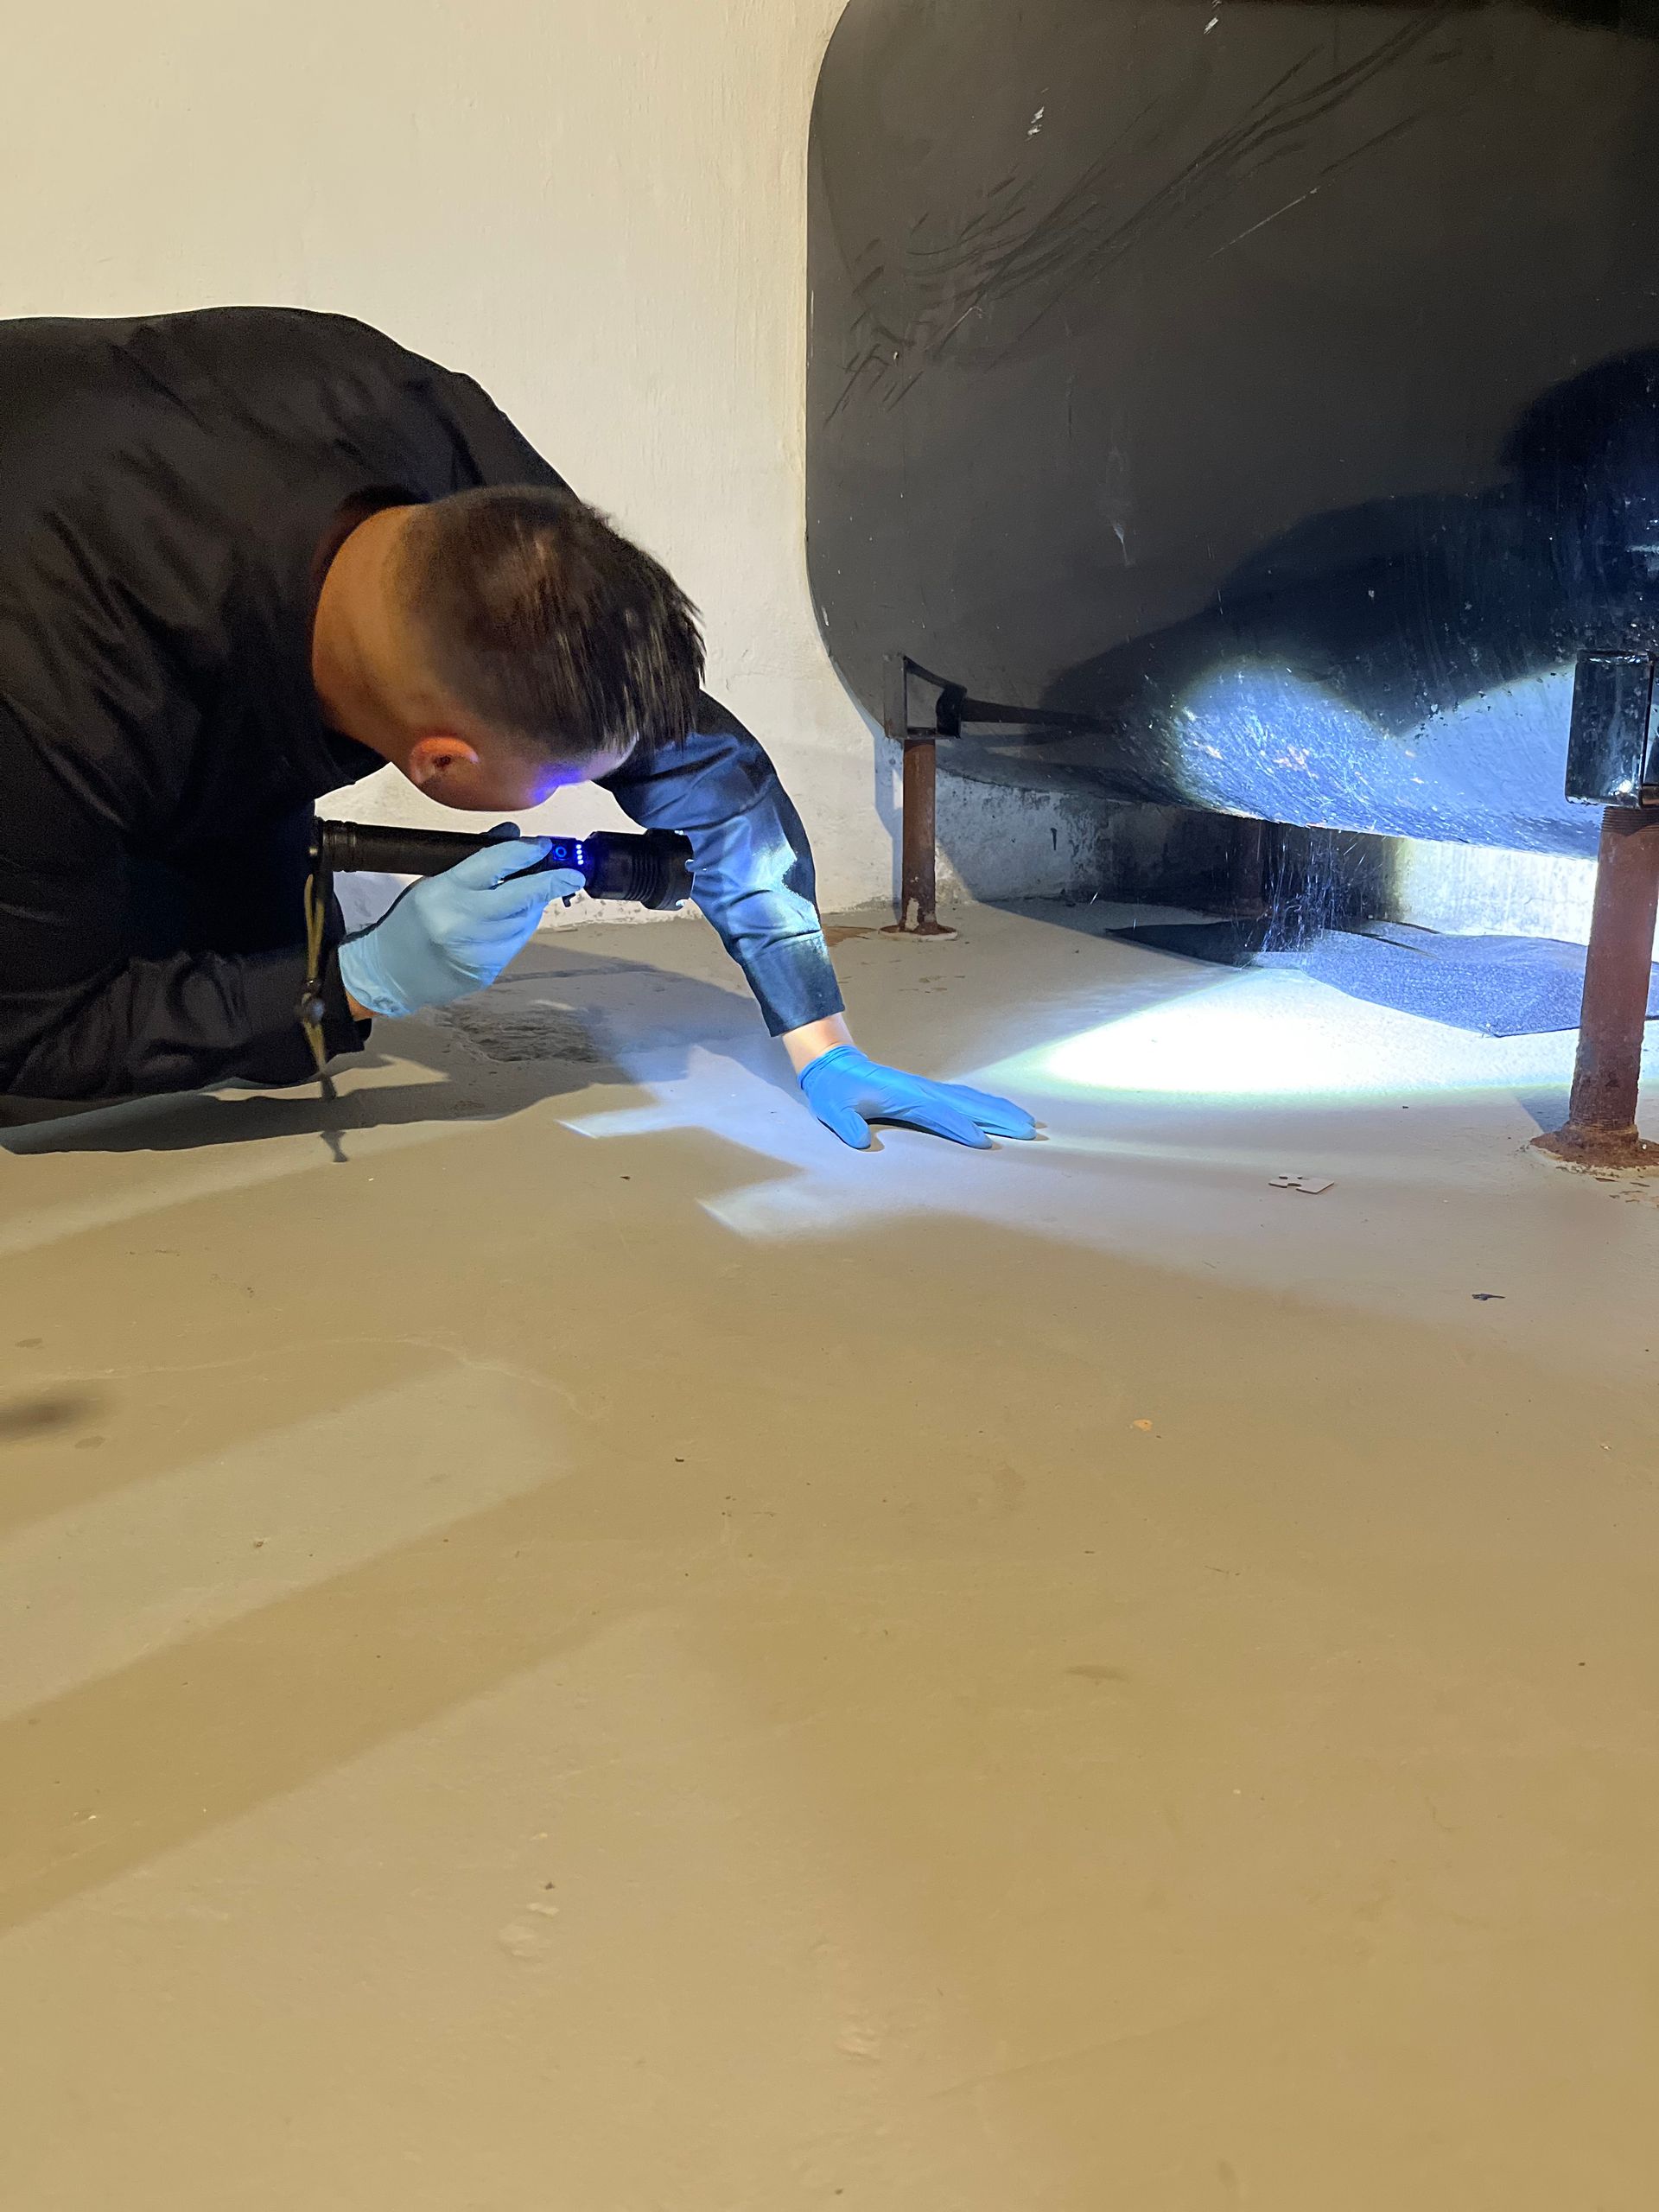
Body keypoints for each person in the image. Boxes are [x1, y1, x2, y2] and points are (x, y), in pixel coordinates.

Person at [0, 308, 1032, 1151]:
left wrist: (819, 1034)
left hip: (132, 554)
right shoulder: (58, 700)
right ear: (439, 762)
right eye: (552, 785)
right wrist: (358, 981)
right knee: (156, 1013)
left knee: (272, 981)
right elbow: (36, 1028)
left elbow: (675, 745)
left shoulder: (435, 443)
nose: (574, 795)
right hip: (41, 616)